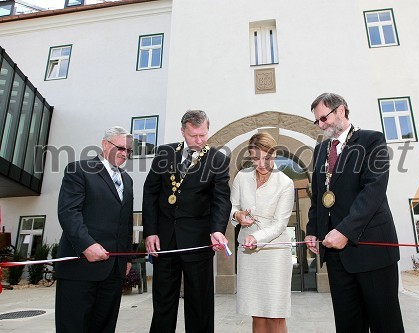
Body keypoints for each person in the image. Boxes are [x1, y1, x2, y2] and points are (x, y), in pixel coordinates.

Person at [304, 93, 404, 333]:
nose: (321, 124)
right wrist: (312, 230)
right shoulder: (319, 151)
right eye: (317, 121)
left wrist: (345, 231)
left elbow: (373, 191)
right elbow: (318, 197)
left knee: (384, 323)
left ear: (341, 111)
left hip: (371, 250)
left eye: (323, 118)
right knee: (348, 325)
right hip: (336, 256)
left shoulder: (372, 140)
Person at [142, 109, 231, 333]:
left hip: (199, 241)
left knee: (199, 305)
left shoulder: (217, 159)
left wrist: (217, 230)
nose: (199, 141)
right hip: (165, 242)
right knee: (163, 304)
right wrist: (150, 231)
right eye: (193, 136)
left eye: (203, 135)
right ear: (183, 131)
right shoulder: (164, 154)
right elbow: (150, 193)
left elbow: (221, 200)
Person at [55, 126, 134, 333]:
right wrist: (87, 245)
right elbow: (69, 213)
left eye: (128, 151)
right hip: (80, 268)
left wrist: (127, 258)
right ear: (105, 144)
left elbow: (126, 223)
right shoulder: (78, 169)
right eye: (121, 148)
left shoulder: (127, 180)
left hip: (113, 272)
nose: (125, 154)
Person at [231, 132, 294, 333]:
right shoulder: (241, 177)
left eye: (267, 157)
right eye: (255, 158)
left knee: (275, 314)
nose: (261, 163)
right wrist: (238, 216)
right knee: (256, 312)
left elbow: (279, 225)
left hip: (275, 252)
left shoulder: (285, 183)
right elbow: (232, 208)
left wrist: (255, 237)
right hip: (248, 254)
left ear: (274, 154)